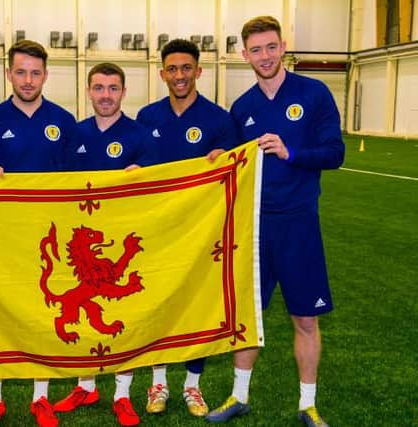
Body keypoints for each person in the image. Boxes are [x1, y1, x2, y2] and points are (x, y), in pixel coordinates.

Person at [205, 16, 344, 427]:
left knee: (305, 317)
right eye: (255, 50)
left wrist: (291, 152)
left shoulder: (314, 93)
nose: (264, 56)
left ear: (282, 47)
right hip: (254, 226)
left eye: (270, 47)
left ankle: (308, 404)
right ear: (243, 54)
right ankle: (238, 396)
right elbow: (232, 159)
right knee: (249, 316)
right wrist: (219, 159)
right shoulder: (243, 107)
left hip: (299, 224)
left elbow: (335, 153)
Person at [136, 38, 240, 418]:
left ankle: (192, 387)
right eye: (172, 69)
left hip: (201, 231)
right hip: (158, 229)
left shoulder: (218, 119)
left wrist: (223, 160)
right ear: (162, 73)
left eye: (186, 68)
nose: (179, 76)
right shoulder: (147, 117)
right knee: (158, 303)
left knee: (196, 306)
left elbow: (235, 174)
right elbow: (139, 167)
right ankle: (159, 382)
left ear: (199, 71)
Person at [0, 39, 77, 427]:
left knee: (42, 315)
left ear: (46, 75)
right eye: (21, 72)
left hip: (48, 241)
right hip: (2, 236)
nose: (29, 80)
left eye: (36, 73)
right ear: (9, 74)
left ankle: (40, 397)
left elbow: (79, 179)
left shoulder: (64, 122)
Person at [52, 62, 155, 427]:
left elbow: (159, 188)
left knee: (121, 316)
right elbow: (57, 184)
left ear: (124, 92)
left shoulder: (141, 135)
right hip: (82, 240)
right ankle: (85, 385)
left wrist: (142, 175)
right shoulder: (74, 133)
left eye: (113, 88)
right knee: (83, 313)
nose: (106, 95)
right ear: (88, 91)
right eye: (99, 88)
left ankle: (122, 394)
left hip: (119, 242)